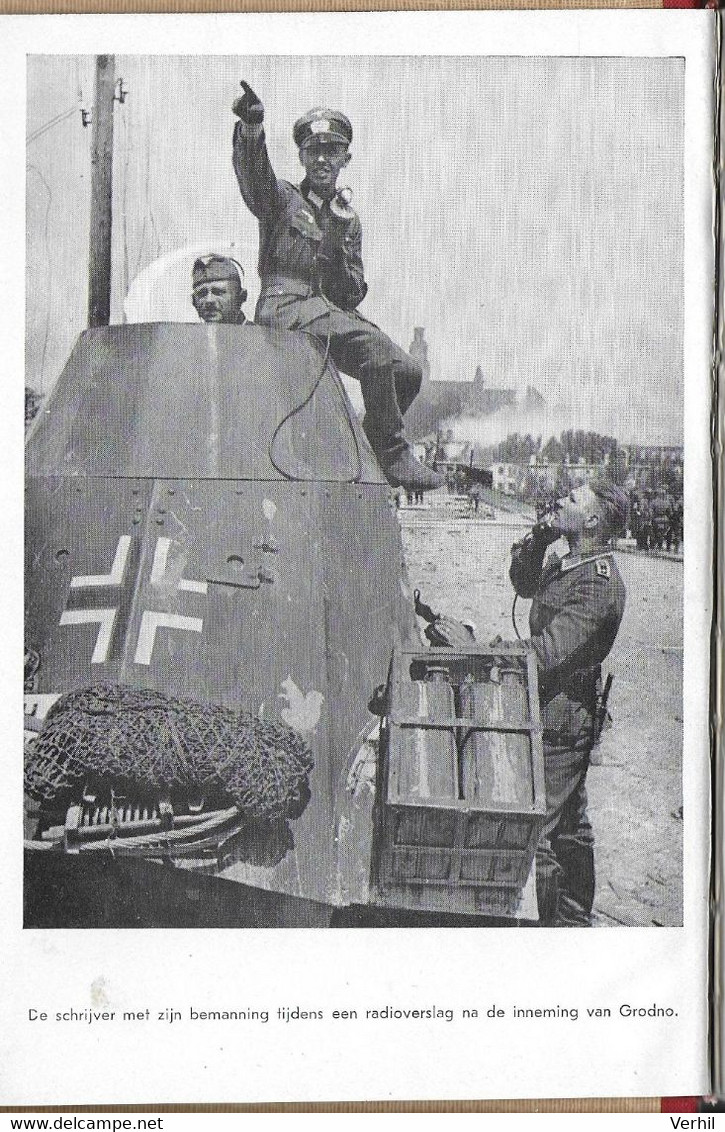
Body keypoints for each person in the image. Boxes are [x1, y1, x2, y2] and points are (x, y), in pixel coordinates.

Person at [230, 81, 442, 494]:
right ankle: (393, 452)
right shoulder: (283, 200)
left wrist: (338, 235)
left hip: (328, 311)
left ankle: (362, 448)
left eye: (332, 151)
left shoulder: (349, 218)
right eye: (314, 151)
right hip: (286, 307)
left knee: (409, 372)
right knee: (376, 350)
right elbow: (254, 179)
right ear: (302, 157)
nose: (323, 159)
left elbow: (351, 293)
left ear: (346, 158)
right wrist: (252, 127)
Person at [508, 480, 628, 926]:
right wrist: (540, 537)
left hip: (561, 722)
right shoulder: (569, 562)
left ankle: (549, 930)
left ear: (593, 521)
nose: (561, 499)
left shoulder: (599, 585)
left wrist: (483, 650)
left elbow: (546, 654)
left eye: (573, 499)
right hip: (555, 717)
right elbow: (521, 583)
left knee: (534, 831)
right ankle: (575, 917)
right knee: (571, 829)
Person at [191, 254, 249, 324]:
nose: (209, 300)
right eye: (202, 294)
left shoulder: (257, 334)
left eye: (219, 292)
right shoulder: (192, 334)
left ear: (241, 297)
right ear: (194, 301)